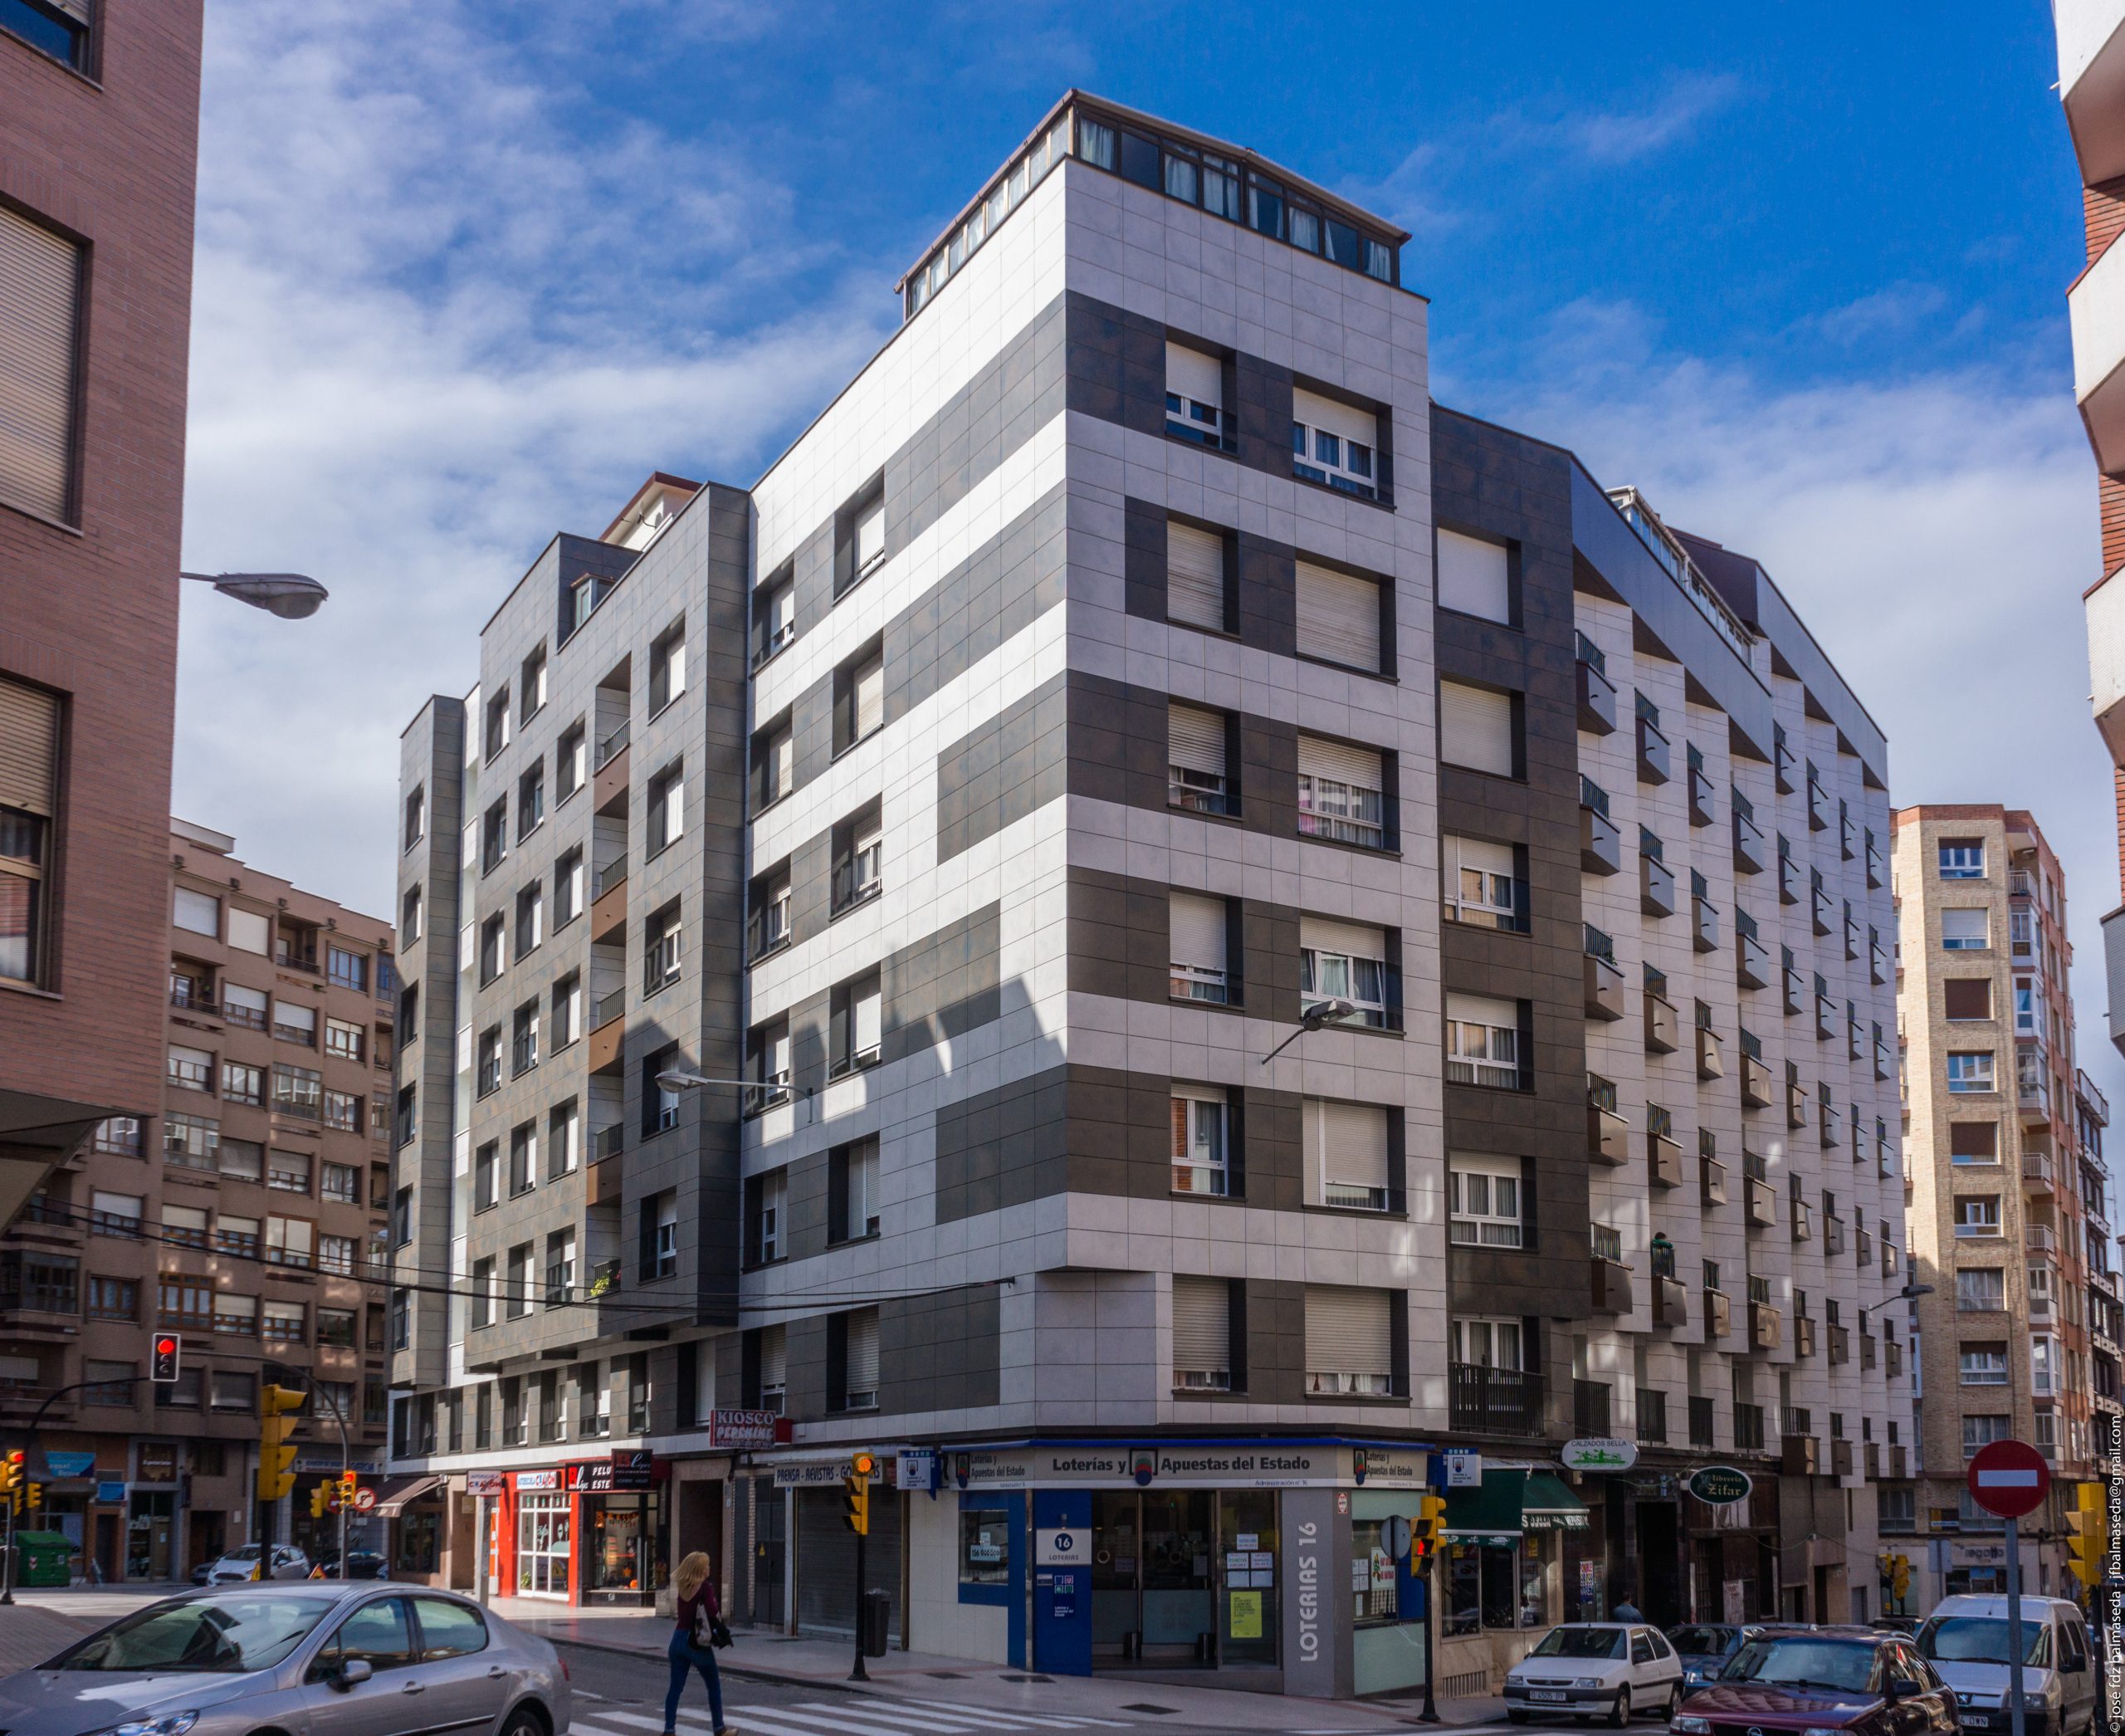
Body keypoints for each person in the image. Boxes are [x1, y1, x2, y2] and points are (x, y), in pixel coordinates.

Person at [665, 1552, 730, 1736]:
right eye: (706, 1565)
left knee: (675, 1688)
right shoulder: (705, 1588)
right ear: (700, 1569)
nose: (709, 1567)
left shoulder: (683, 1587)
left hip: (677, 1639)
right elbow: (713, 1612)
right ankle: (719, 1728)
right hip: (696, 1642)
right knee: (713, 1685)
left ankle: (669, 1730)